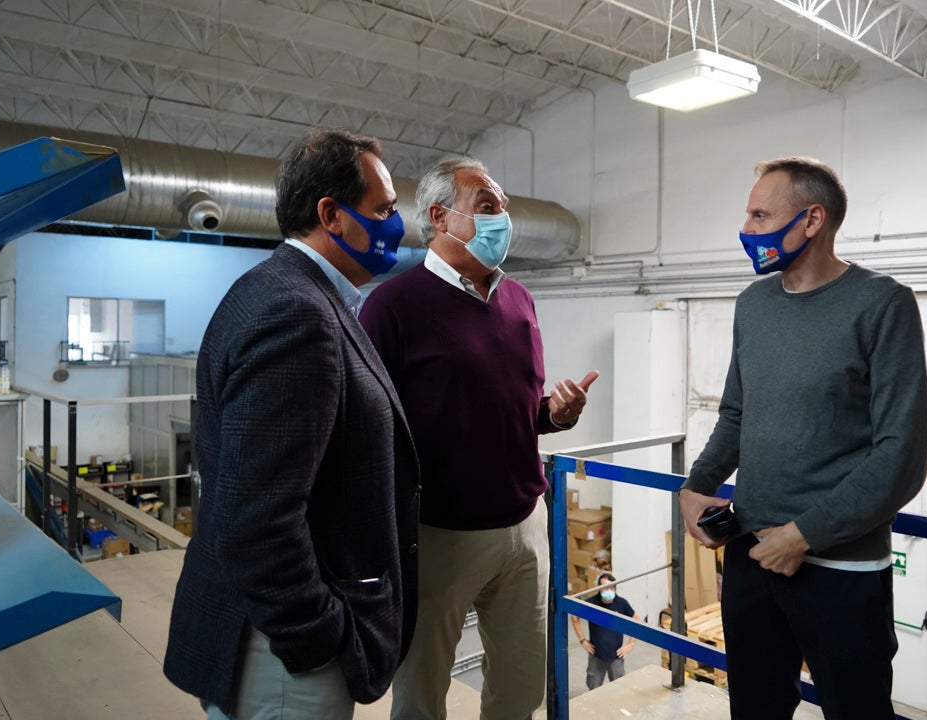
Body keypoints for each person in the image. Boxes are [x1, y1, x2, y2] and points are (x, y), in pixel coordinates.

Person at [163, 128, 421, 720]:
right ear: (331, 214)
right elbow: (258, 519)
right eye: (383, 209)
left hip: (270, 642)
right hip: (281, 660)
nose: (396, 225)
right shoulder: (297, 315)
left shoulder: (281, 292)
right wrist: (320, 638)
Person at [678, 157, 927, 720]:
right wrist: (696, 485)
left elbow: (901, 456)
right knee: (755, 707)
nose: (748, 226)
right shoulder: (754, 304)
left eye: (761, 214)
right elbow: (737, 413)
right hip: (751, 554)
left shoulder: (882, 304)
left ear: (812, 219)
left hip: (840, 570)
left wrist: (804, 535)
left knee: (856, 710)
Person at [359, 157, 598, 720]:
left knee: (519, 691)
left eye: (504, 208)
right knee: (421, 694)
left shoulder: (518, 299)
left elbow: (513, 408)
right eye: (488, 207)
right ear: (441, 217)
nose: (503, 220)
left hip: (526, 526)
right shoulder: (393, 306)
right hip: (439, 535)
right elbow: (370, 430)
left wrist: (554, 415)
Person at [570, 573, 640, 690]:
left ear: (615, 588)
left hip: (616, 656)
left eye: (611, 587)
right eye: (605, 587)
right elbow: (574, 617)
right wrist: (582, 640)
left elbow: (637, 621)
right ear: (599, 589)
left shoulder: (621, 603)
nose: (609, 590)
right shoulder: (591, 603)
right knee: (593, 689)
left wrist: (630, 644)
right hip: (596, 655)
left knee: (619, 689)